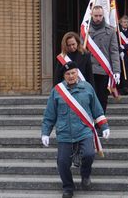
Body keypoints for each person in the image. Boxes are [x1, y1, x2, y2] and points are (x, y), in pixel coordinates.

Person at [41, 61, 110, 198]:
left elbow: (97, 109)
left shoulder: (87, 88)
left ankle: (85, 175)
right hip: (65, 132)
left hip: (84, 130)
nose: (71, 76)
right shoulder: (57, 91)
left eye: (73, 73)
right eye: (68, 74)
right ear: (64, 76)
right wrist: (45, 133)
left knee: (89, 154)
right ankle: (68, 187)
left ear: (78, 73)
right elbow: (50, 115)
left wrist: (104, 126)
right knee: (62, 162)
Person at [88, 5, 120, 112]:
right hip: (90, 69)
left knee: (102, 97)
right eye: (96, 15)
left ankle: (101, 122)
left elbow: (114, 51)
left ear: (103, 16)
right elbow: (82, 51)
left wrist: (116, 71)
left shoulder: (110, 31)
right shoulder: (85, 30)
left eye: (100, 16)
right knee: (90, 97)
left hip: (103, 69)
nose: (98, 18)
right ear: (91, 15)